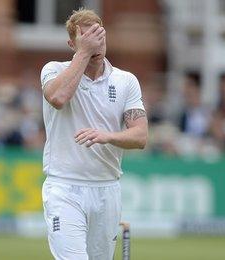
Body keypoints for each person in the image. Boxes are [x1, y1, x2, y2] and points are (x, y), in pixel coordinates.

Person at [39, 8, 148, 260]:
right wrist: (84, 52)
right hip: (64, 187)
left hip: (107, 190)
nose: (95, 43)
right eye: (86, 37)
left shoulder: (125, 80)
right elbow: (57, 97)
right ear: (72, 44)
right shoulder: (53, 70)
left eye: (99, 36)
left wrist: (107, 136)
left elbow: (140, 136)